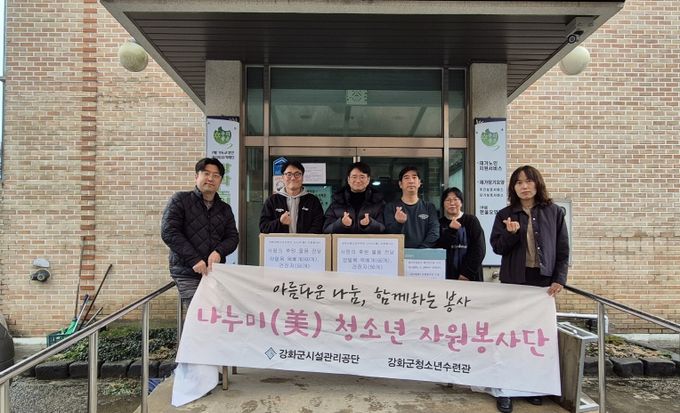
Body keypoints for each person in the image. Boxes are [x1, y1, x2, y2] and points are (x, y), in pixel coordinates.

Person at [488, 165, 570, 413]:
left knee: (535, 339)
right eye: (518, 182)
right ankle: (505, 390)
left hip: (542, 285)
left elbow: (563, 249)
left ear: (537, 183)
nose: (524, 186)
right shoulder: (505, 214)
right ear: (513, 187)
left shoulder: (554, 212)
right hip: (514, 281)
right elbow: (497, 247)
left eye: (528, 181)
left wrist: (560, 278)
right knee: (509, 336)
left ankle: (532, 388)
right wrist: (511, 234)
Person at [161, 157, 239, 303]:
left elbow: (233, 237)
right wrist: (194, 259)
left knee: (215, 311)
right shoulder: (180, 200)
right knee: (198, 310)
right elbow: (169, 232)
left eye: (216, 175)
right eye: (206, 173)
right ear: (197, 176)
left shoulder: (225, 209)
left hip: (214, 273)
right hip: (187, 272)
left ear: (220, 181)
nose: (211, 178)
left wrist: (219, 252)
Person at [259, 160, 324, 234]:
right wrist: (280, 222)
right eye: (289, 174)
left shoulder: (313, 201)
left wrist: (304, 239)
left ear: (302, 177)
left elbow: (318, 226)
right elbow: (263, 227)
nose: (293, 178)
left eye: (297, 174)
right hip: (280, 242)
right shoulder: (272, 201)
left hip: (306, 241)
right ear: (283, 177)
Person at [436, 187, 486, 281]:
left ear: (461, 202)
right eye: (448, 200)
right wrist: (451, 231)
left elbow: (479, 249)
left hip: (470, 277)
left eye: (455, 199)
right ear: (443, 204)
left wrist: (466, 274)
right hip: (446, 276)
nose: (452, 203)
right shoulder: (439, 223)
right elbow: (438, 248)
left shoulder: (471, 220)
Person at [384, 166, 439, 248]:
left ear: (419, 183)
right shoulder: (390, 207)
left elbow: (434, 232)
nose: (411, 181)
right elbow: (388, 234)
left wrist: (421, 250)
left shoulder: (429, 207)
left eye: (414, 177)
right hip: (399, 253)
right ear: (400, 184)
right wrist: (399, 223)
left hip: (424, 253)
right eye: (406, 178)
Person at [323, 161, 385, 234]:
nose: (358, 181)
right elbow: (326, 229)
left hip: (368, 242)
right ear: (348, 179)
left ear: (368, 180)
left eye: (362, 177)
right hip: (344, 242)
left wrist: (370, 224)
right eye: (354, 177)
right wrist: (341, 224)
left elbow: (384, 229)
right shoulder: (337, 202)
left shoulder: (378, 203)